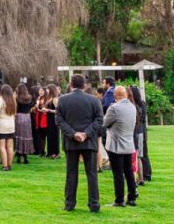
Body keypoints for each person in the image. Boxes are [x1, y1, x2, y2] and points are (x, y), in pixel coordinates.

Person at [56, 74, 104, 213]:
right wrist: (86, 133)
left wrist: (73, 133)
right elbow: (99, 120)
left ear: (71, 84)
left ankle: (69, 203)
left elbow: (59, 120)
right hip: (88, 141)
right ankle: (94, 203)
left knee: (71, 173)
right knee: (92, 173)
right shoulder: (94, 101)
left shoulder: (63, 100)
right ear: (85, 85)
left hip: (72, 142)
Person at [104, 86, 138, 207]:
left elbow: (105, 123)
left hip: (116, 144)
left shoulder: (114, 108)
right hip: (129, 143)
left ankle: (119, 199)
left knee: (118, 173)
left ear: (115, 96)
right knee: (129, 171)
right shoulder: (132, 107)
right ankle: (132, 197)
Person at [0, 85, 16, 171]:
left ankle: (5, 165)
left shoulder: (0, 100)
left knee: (2, 146)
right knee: (10, 146)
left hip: (1, 125)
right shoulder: (12, 100)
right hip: (11, 125)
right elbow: (14, 113)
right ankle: (9, 165)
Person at [129, 85, 147, 185]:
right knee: (139, 156)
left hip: (134, 131)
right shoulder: (142, 104)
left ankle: (135, 178)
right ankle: (141, 178)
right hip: (140, 131)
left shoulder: (133, 105)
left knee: (134, 156)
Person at [14, 84, 35, 164]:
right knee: (26, 136)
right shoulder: (29, 97)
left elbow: (16, 108)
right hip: (27, 117)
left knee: (19, 136)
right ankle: (26, 156)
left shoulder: (17, 98)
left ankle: (19, 155)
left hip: (19, 116)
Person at [44, 84, 61, 159]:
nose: (46, 90)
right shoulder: (49, 98)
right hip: (49, 119)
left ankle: (55, 153)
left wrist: (48, 110)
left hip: (53, 120)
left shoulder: (55, 99)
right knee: (49, 136)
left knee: (54, 136)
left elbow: (58, 111)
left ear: (51, 90)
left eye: (47, 89)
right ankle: (50, 152)